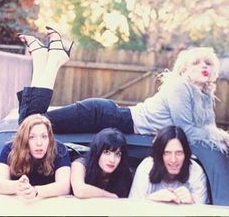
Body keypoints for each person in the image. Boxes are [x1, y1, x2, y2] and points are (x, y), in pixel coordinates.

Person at [16, 27, 229, 205]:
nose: (204, 67)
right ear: (184, 69)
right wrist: (222, 137)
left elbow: (204, 131)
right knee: (31, 125)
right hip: (105, 115)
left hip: (114, 116)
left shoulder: (204, 96)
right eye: (197, 63)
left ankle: (44, 57)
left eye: (208, 63)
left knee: (30, 122)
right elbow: (187, 131)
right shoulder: (180, 87)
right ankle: (49, 60)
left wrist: (220, 137)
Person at [0, 114, 71, 199]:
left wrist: (35, 191)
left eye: (44, 136)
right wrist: (19, 186)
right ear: (24, 139)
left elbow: (64, 187)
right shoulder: (11, 149)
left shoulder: (59, 149)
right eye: (32, 137)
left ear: (50, 138)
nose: (39, 143)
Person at [129, 126, 208, 204]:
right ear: (159, 155)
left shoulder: (195, 171)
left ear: (186, 154)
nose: (173, 160)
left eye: (179, 153)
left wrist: (192, 203)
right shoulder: (146, 167)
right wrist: (151, 200)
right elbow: (132, 209)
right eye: (167, 153)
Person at [71, 127, 132, 198]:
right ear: (97, 151)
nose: (112, 160)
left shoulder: (124, 174)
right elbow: (80, 191)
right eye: (106, 152)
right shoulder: (80, 164)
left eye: (118, 154)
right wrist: (111, 196)